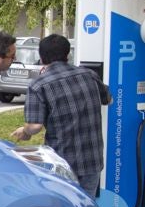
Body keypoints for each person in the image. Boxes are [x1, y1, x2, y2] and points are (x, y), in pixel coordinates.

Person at [11, 34, 111, 195]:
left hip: (62, 164)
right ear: (67, 55)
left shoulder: (39, 85)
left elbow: (34, 126)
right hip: (92, 160)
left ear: (42, 58)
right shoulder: (89, 75)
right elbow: (109, 99)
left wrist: (25, 131)